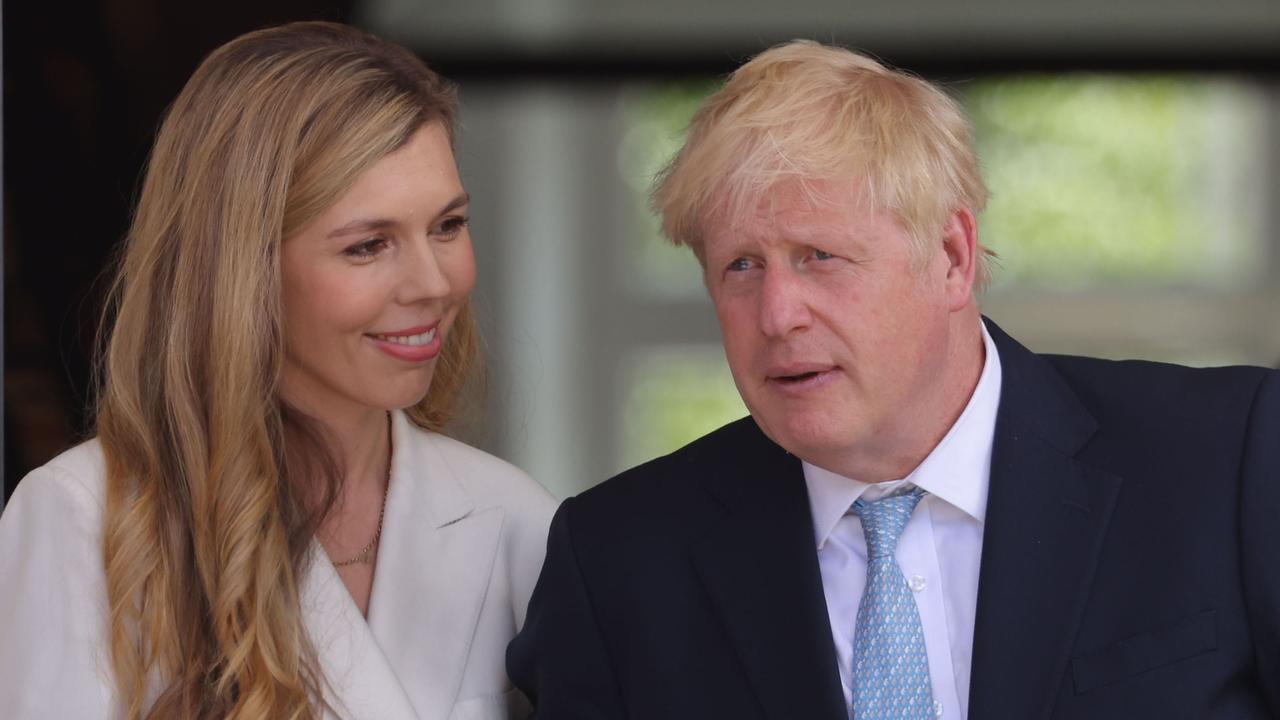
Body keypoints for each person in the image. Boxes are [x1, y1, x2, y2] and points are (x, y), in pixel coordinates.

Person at [508, 40, 1280, 719]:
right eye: (740, 266)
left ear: (951, 256)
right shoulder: (621, 558)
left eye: (820, 257)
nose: (776, 314)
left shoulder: (1227, 460)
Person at [0, 22, 555, 720]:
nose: (433, 283)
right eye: (367, 246)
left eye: (447, 225)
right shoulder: (87, 519)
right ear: (241, 268)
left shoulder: (518, 523)